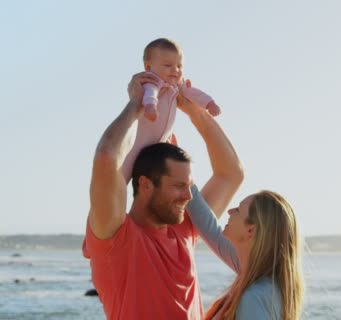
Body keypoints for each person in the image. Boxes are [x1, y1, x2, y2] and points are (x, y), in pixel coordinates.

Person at [82, 72, 243, 320]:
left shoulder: (186, 230)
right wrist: (136, 103)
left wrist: (194, 111)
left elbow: (231, 174)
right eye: (179, 186)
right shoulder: (115, 236)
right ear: (145, 185)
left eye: (189, 185)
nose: (188, 196)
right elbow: (106, 158)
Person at [187, 183, 305, 319]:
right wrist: (185, 180)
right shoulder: (259, 275)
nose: (230, 211)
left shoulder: (254, 296)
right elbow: (209, 228)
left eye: (237, 210)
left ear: (250, 230)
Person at [120, 38, 221, 181]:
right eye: (168, 65)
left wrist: (210, 103)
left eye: (179, 66)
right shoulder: (152, 82)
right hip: (140, 140)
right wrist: (150, 106)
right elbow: (150, 93)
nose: (175, 70)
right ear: (148, 67)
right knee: (125, 169)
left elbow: (194, 93)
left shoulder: (177, 86)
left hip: (161, 141)